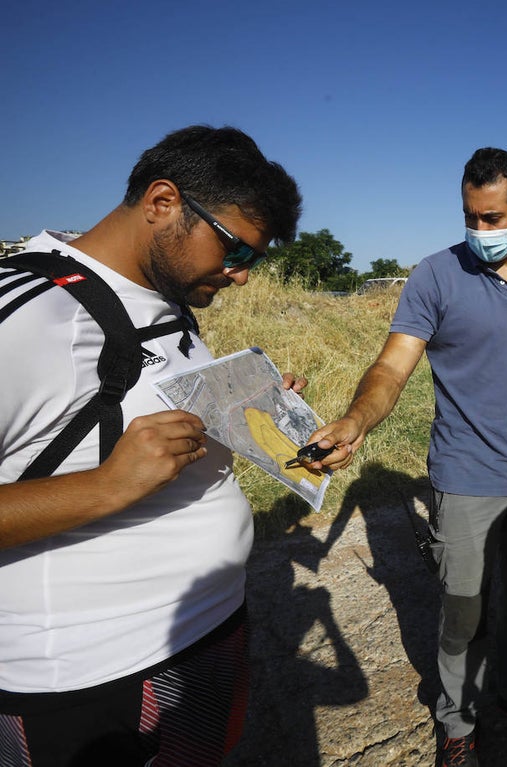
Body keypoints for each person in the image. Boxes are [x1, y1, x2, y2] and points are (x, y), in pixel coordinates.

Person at [0, 126, 303, 764]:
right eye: (235, 251)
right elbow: (113, 466)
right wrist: (108, 486)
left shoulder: (170, 304)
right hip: (88, 678)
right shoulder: (25, 314)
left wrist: (248, 406)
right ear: (163, 202)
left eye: (253, 261)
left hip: (204, 635)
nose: (240, 277)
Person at [304, 147, 507, 767]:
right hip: (464, 474)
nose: (478, 230)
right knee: (463, 612)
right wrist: (358, 418)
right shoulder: (435, 276)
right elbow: (393, 364)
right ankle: (458, 721)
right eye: (470, 215)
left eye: (492, 217)